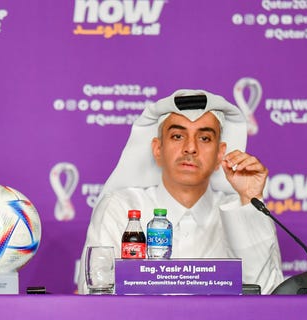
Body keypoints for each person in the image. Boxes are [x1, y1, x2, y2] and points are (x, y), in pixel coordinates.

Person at [77, 89, 284, 294]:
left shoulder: (247, 209)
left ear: (221, 154)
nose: (190, 148)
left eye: (204, 138)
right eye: (177, 136)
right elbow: (96, 294)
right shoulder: (121, 208)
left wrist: (249, 201)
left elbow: (267, 295)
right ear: (158, 149)